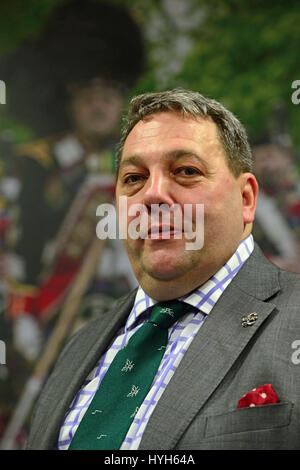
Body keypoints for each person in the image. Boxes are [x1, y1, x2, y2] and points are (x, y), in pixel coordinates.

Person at [26, 89, 300, 450]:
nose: (152, 194)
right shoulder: (79, 348)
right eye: (134, 178)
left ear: (246, 199)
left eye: (186, 171)